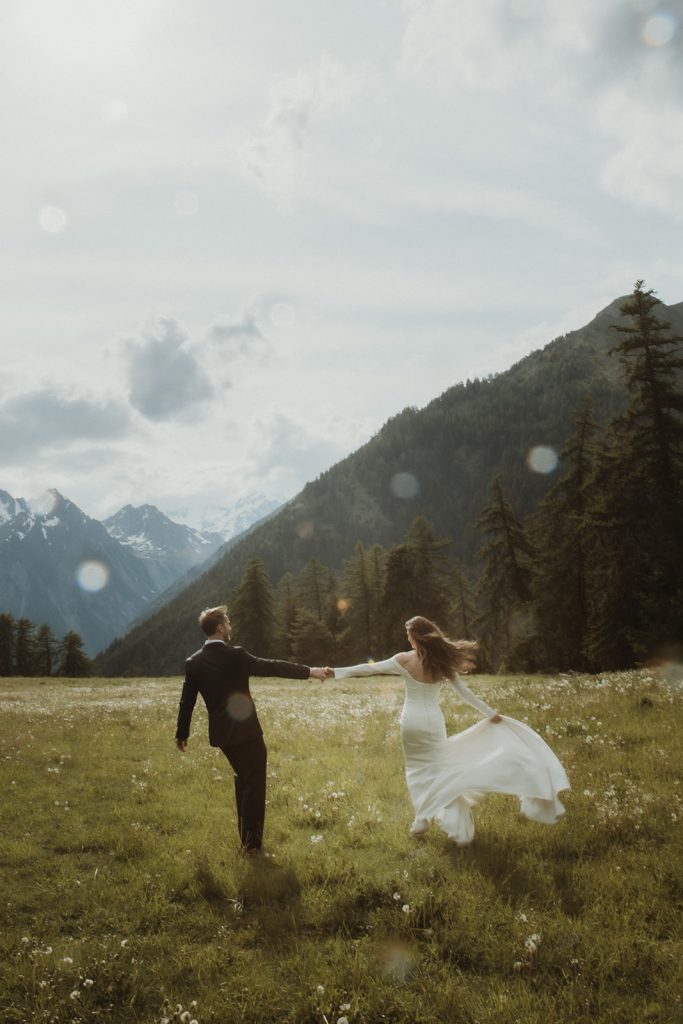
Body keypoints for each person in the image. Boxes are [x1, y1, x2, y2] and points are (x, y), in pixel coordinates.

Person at [331, 615, 569, 846]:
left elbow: (368, 668)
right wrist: (490, 714)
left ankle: (422, 818)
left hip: (411, 723)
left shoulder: (404, 660)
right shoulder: (441, 662)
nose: (408, 640)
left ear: (416, 637)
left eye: (409, 636)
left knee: (417, 770)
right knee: (440, 769)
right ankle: (433, 818)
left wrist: (336, 671)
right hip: (433, 722)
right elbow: (465, 694)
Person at [175, 605, 329, 855]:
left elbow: (187, 701)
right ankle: (252, 846)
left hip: (222, 735)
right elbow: (271, 666)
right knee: (253, 784)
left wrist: (182, 733)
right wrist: (311, 672)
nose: (230, 627)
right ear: (220, 628)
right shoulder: (235, 655)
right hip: (246, 731)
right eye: (228, 623)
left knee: (243, 779)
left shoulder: (193, 662)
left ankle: (247, 839)